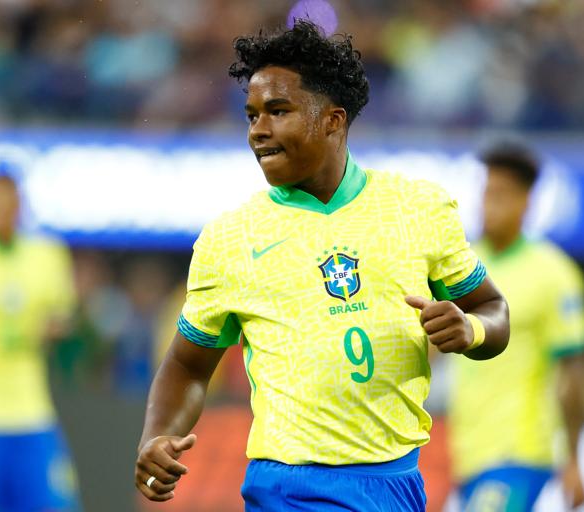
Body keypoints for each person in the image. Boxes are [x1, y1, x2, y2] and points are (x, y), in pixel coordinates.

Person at [134, 21, 510, 511]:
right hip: (288, 487)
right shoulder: (229, 238)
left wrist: (470, 330)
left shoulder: (418, 209)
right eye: (251, 116)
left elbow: (493, 309)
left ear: (333, 120)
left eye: (278, 111)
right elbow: (187, 364)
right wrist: (157, 437)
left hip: (396, 484)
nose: (258, 131)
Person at [446, 140, 584, 511]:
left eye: (500, 195)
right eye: (486, 194)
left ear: (525, 203)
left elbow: (574, 373)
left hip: (519, 450)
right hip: (466, 453)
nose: (488, 205)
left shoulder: (553, 273)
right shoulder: (464, 265)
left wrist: (574, 460)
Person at [0, 164, 79, 511]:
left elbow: (64, 316)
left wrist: (54, 328)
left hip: (31, 411)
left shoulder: (46, 255)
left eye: (11, 195)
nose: (4, 204)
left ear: (21, 200)